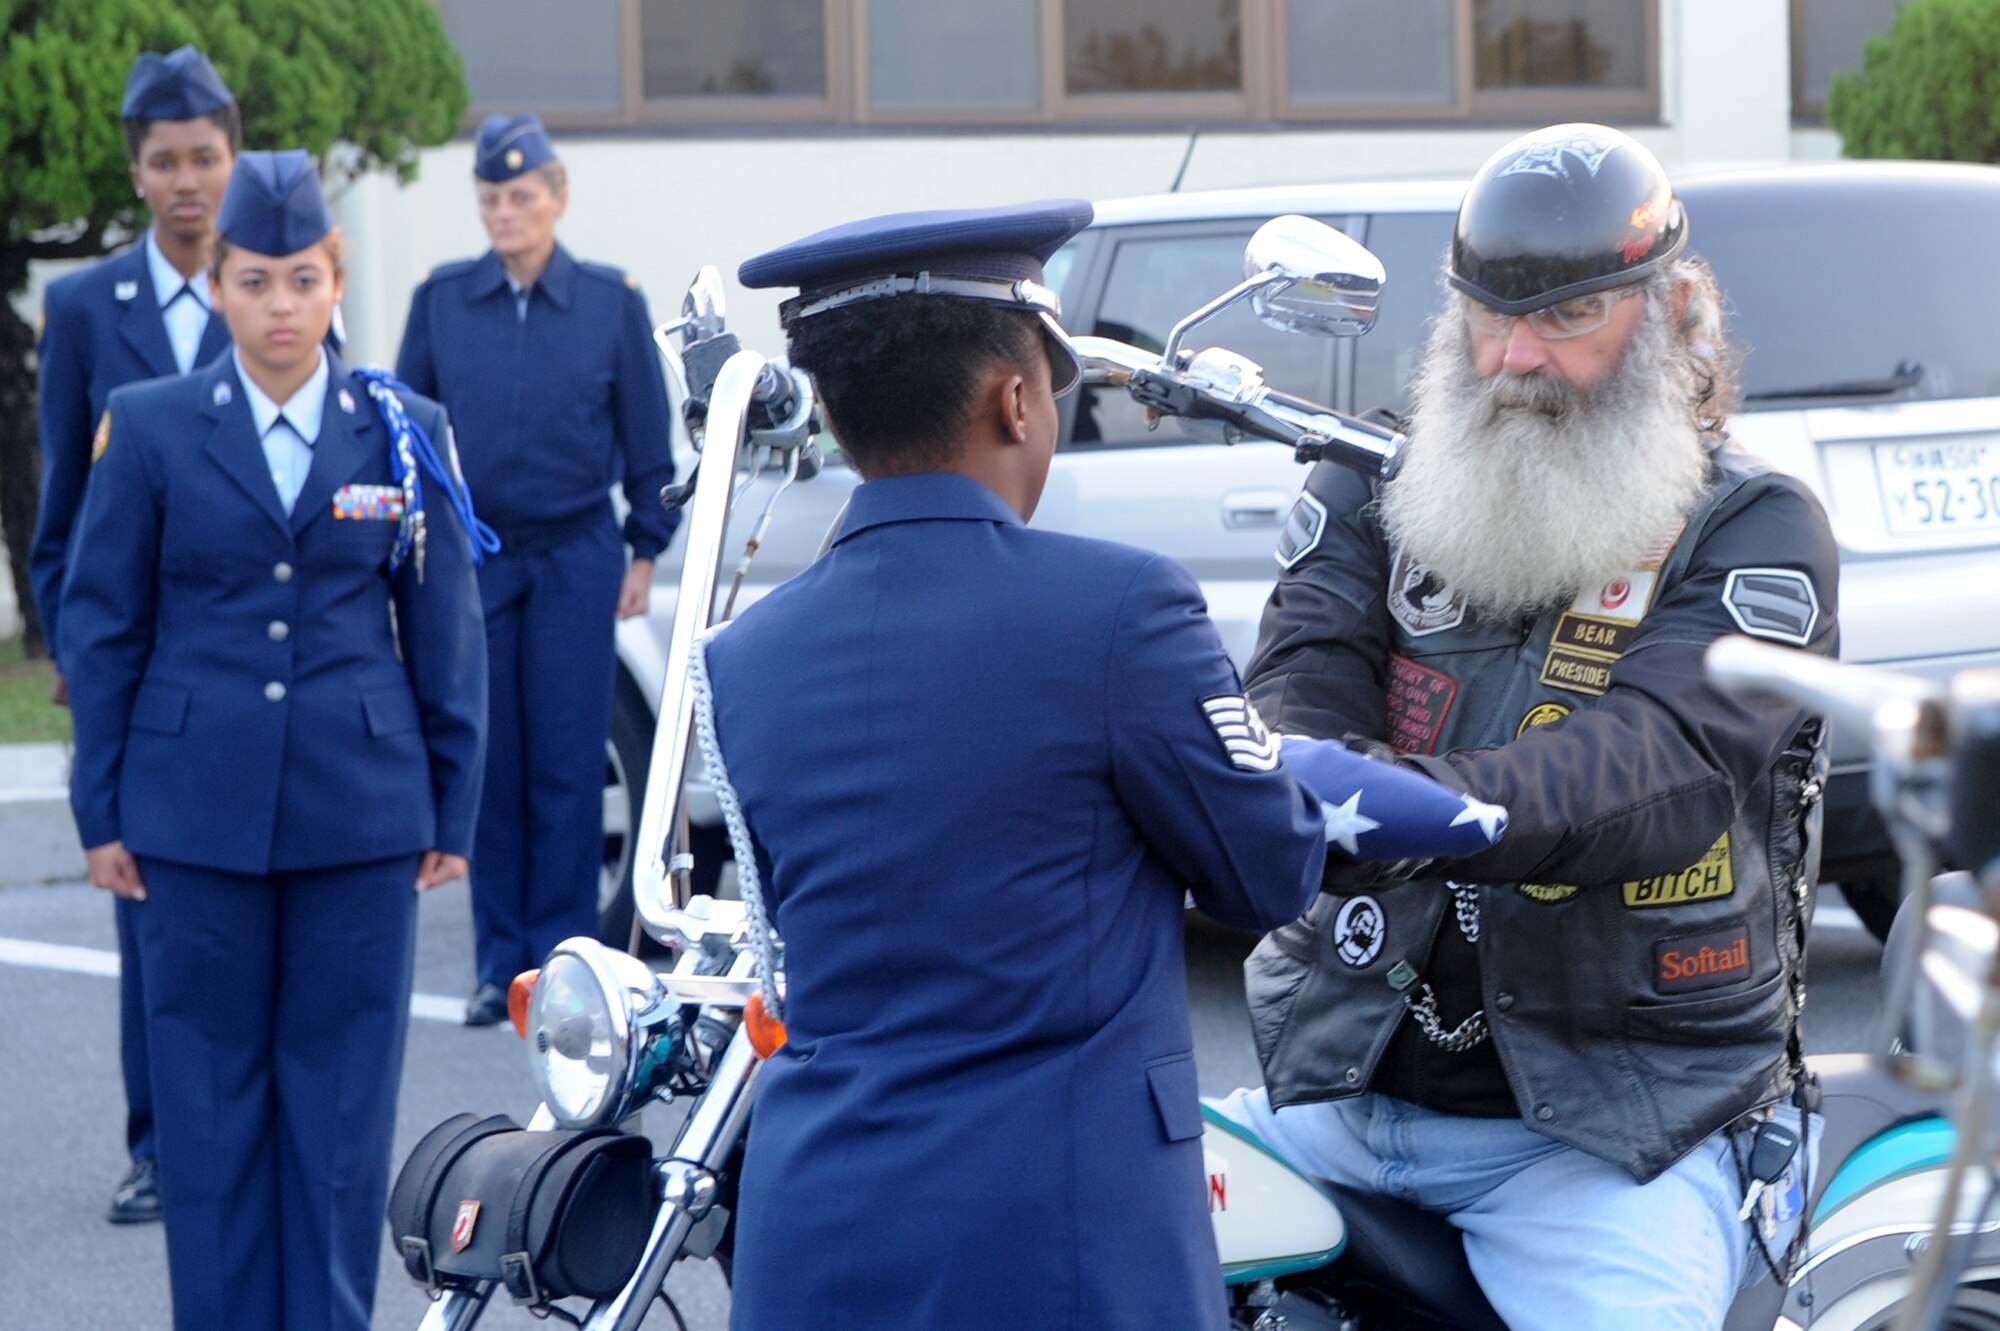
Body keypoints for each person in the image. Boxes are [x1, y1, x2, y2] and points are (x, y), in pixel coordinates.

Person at [708, 201, 1504, 1331]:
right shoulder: (1122, 608)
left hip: (815, 1226)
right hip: (1055, 1233)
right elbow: (1263, 871)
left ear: (832, 413)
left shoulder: (742, 657)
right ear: (1015, 399)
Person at [1216, 123, 1841, 1331]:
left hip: (1614, 1136)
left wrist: (1433, 811)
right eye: (1486, 316)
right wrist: (1305, 774)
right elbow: (1296, 678)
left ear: (1671, 313)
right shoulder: (1372, 480)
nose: (1513, 357)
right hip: (1332, 1091)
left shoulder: (1754, 529)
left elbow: (1662, 764)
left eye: (1566, 316)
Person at [61, 150, 486, 1331]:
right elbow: (104, 628)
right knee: (208, 1106)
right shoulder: (150, 426)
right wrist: (101, 810)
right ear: (221, 285)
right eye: (254, 281)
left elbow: (444, 628)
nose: (280, 305)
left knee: (342, 1108)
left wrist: (450, 804)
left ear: (335, 281)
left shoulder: (400, 427)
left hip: (360, 813)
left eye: (303, 279)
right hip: (190, 812)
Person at [394, 112, 680, 1026]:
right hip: (478, 554)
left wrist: (644, 550)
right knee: (493, 760)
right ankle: (500, 966)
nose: (504, 212)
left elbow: (648, 443)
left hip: (575, 554)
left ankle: (564, 966)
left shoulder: (608, 303)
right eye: (490, 198)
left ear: (557, 199)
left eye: (520, 196)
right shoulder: (442, 301)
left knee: (566, 760)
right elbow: (406, 440)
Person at [28, 44, 238, 1225]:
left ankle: (239, 1129)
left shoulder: (269, 285)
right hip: (129, 649)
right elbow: (59, 497)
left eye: (204, 156)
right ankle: (159, 1143)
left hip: (239, 646)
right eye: (165, 161)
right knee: (145, 900)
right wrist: (69, 644)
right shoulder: (83, 307)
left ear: (231, 159)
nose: (186, 181)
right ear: (138, 172)